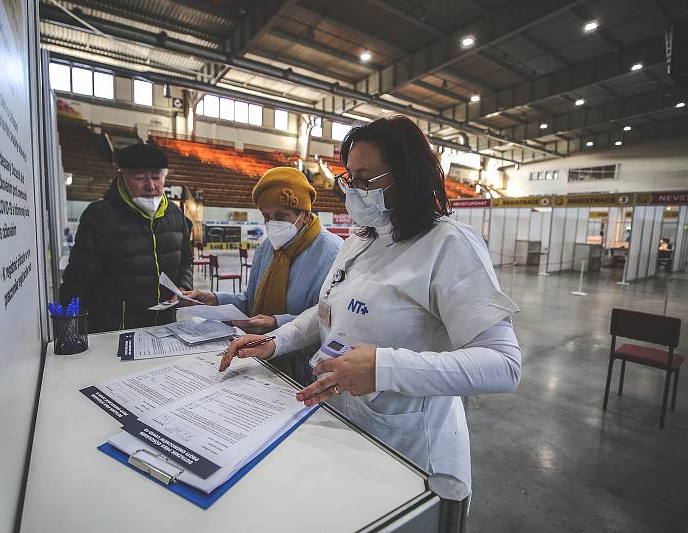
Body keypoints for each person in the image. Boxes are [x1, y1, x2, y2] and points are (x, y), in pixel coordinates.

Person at [219, 116, 522, 510]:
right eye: (350, 178)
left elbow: (503, 364)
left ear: (408, 177)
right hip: (342, 429)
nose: (354, 190)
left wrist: (382, 367)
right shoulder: (361, 239)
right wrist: (275, 341)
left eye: (366, 180)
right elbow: (326, 312)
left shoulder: (449, 245)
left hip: (408, 448)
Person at [184, 167, 342, 385]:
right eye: (267, 217)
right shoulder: (267, 248)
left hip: (303, 370)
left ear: (304, 215)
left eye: (281, 216)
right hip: (261, 360)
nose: (273, 224)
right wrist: (215, 298)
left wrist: (276, 322)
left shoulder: (332, 252)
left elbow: (329, 319)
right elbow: (251, 301)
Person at [60, 142, 193, 333]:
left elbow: (186, 260)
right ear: (122, 178)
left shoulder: (174, 213)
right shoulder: (99, 216)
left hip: (165, 328)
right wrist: (73, 331)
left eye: (157, 177)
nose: (150, 186)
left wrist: (183, 286)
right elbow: (77, 281)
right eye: (139, 178)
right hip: (115, 332)